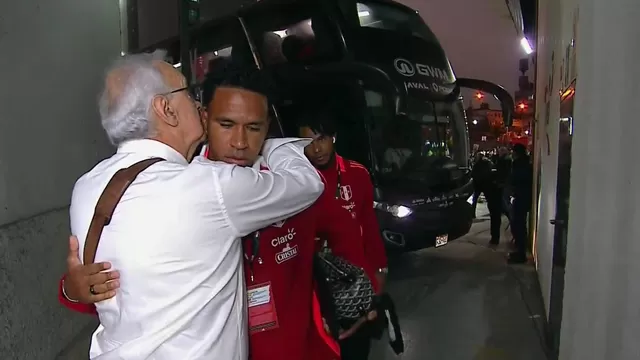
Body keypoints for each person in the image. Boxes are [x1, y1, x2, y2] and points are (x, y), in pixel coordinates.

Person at [60, 66, 374, 360]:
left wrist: (363, 300)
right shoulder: (188, 184)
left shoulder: (285, 186)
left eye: (253, 128)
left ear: (267, 126)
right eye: (226, 125)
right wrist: (72, 290)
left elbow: (348, 235)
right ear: (203, 117)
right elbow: (127, 291)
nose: (239, 142)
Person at [297, 110, 388, 360]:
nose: (317, 149)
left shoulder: (357, 174)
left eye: (322, 138)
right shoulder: (295, 181)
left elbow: (369, 226)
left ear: (334, 137)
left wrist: (380, 270)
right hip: (315, 290)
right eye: (309, 142)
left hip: (355, 285)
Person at [508, 143, 533, 264]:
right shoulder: (526, 164)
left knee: (518, 225)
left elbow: (515, 179)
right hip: (523, 197)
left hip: (521, 197)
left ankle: (520, 253)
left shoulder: (519, 165)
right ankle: (519, 250)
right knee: (519, 224)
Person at [471, 152, 503, 245]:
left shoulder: (479, 165)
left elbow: (473, 175)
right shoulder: (490, 167)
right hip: (489, 190)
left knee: (475, 200)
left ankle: (494, 238)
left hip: (480, 186)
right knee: (496, 215)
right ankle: (495, 238)